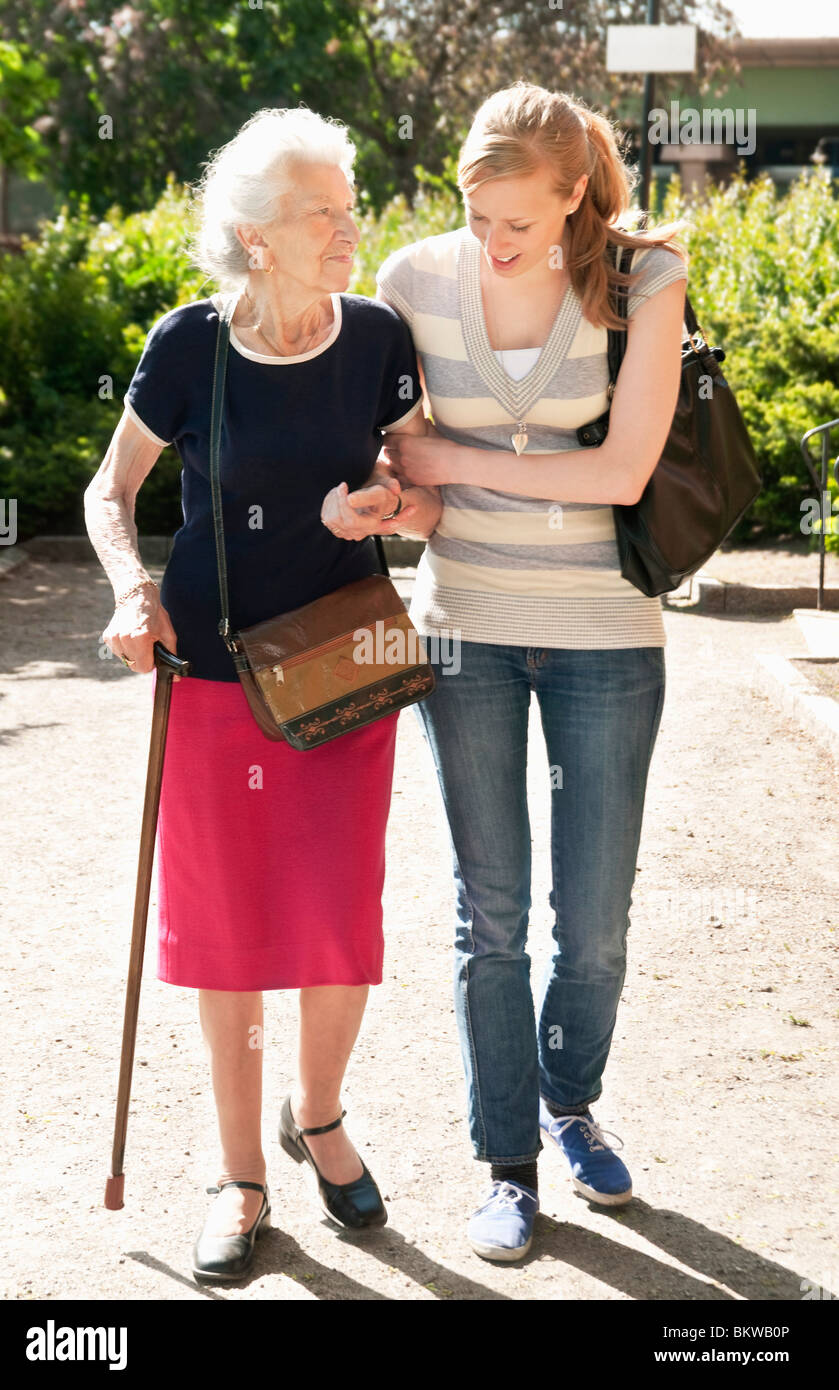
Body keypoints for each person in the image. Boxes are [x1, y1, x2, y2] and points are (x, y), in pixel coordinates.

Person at [84, 106, 442, 1282]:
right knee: (227, 934)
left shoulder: (378, 336)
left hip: (341, 666)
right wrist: (134, 592)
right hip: (212, 676)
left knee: (337, 924)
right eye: (322, 215)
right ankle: (240, 1176)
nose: (350, 230)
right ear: (255, 239)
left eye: (349, 205)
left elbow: (424, 491)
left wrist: (383, 507)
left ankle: (320, 1114)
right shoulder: (188, 347)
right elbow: (110, 490)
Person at [375, 82, 688, 1261]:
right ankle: (506, 1162)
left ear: (572, 196)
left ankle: (571, 1103)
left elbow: (620, 475)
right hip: (462, 623)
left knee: (591, 920)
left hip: (606, 629)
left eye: (519, 221)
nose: (493, 242)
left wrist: (455, 456)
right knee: (487, 913)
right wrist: (403, 487)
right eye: (475, 214)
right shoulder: (411, 280)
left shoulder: (641, 281)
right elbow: (404, 467)